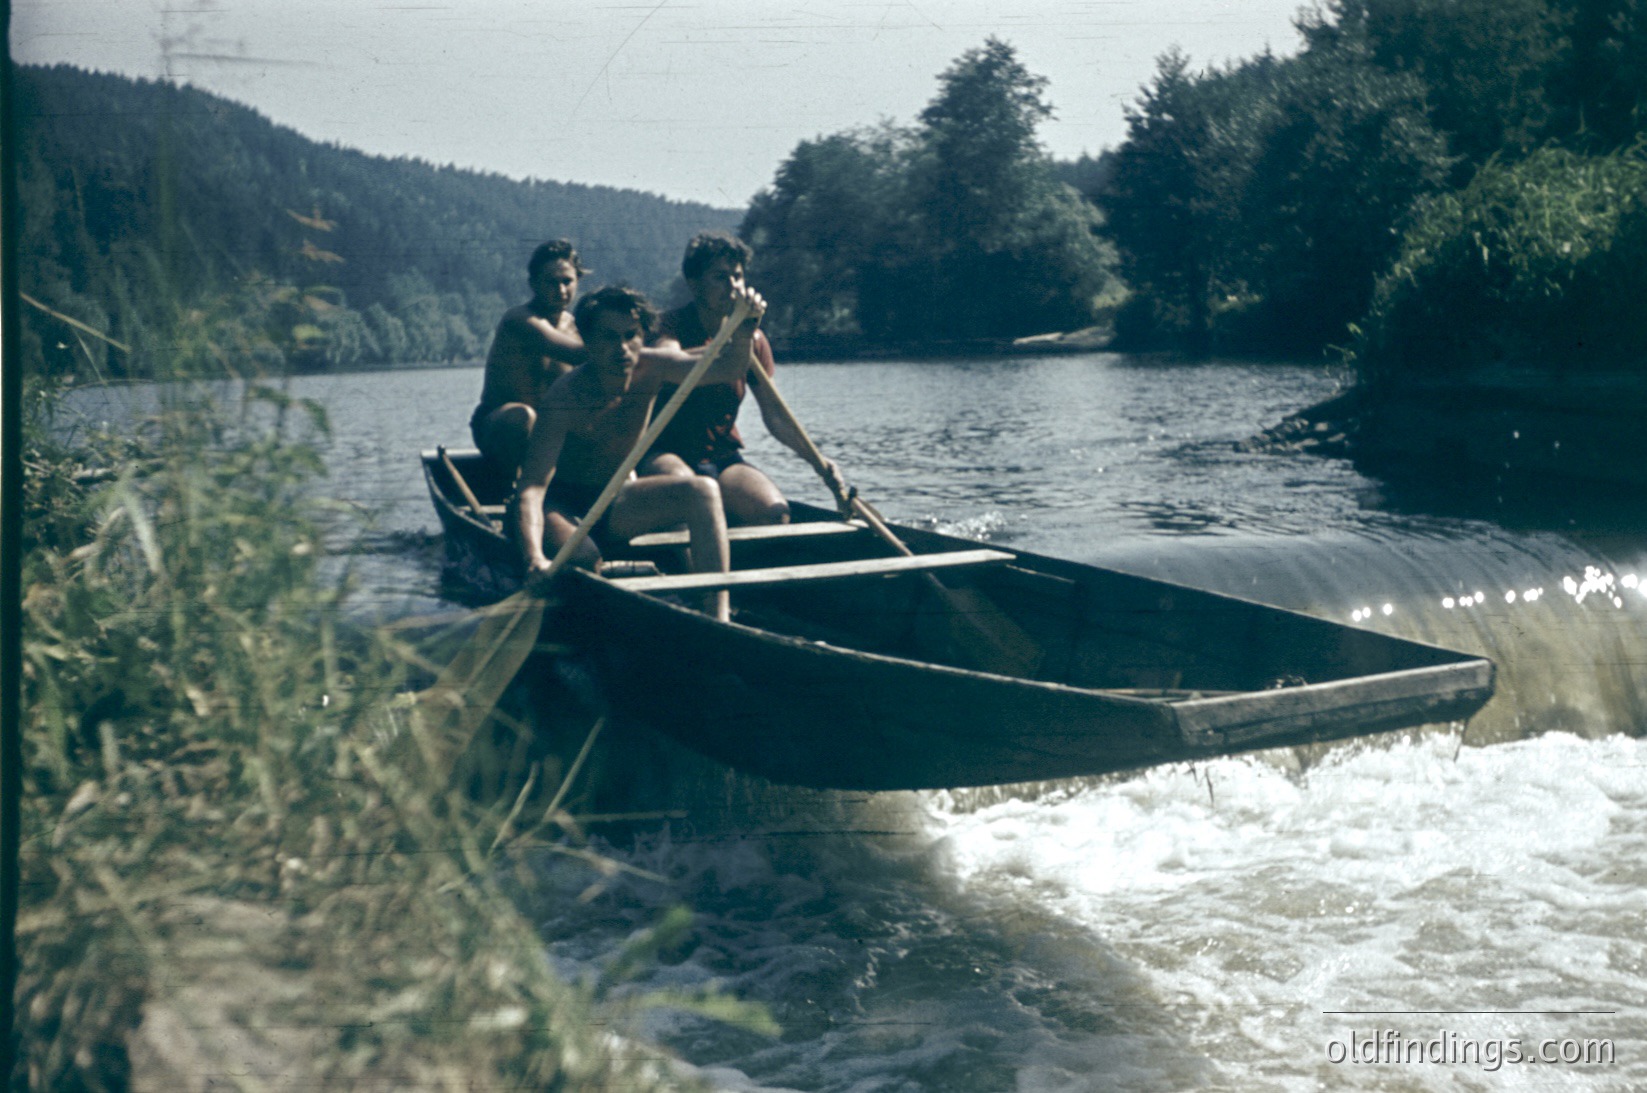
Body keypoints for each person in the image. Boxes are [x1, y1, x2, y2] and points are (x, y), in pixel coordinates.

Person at [511, 284, 766, 623]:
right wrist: (534, 557)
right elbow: (532, 489)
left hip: (617, 500)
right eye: (608, 337)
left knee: (702, 490)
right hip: (564, 504)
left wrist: (746, 328)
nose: (622, 349)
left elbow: (728, 368)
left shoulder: (653, 367)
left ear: (643, 336)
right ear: (587, 341)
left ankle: (718, 618)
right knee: (585, 558)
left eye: (630, 335)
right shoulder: (564, 398)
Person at [643, 232, 845, 524]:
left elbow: (775, 414)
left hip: (720, 456)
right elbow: (675, 362)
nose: (733, 287)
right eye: (720, 277)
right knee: (688, 498)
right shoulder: (667, 327)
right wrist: (735, 343)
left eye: (737, 276)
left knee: (775, 514)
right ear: (694, 283)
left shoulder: (753, 338)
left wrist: (819, 463)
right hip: (662, 452)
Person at [470, 239, 588, 476]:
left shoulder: (579, 329)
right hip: (499, 427)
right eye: (551, 282)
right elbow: (576, 354)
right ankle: (510, 489)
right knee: (522, 416)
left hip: (550, 434)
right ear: (534, 283)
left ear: (577, 281)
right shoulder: (519, 320)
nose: (561, 290)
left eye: (567, 281)